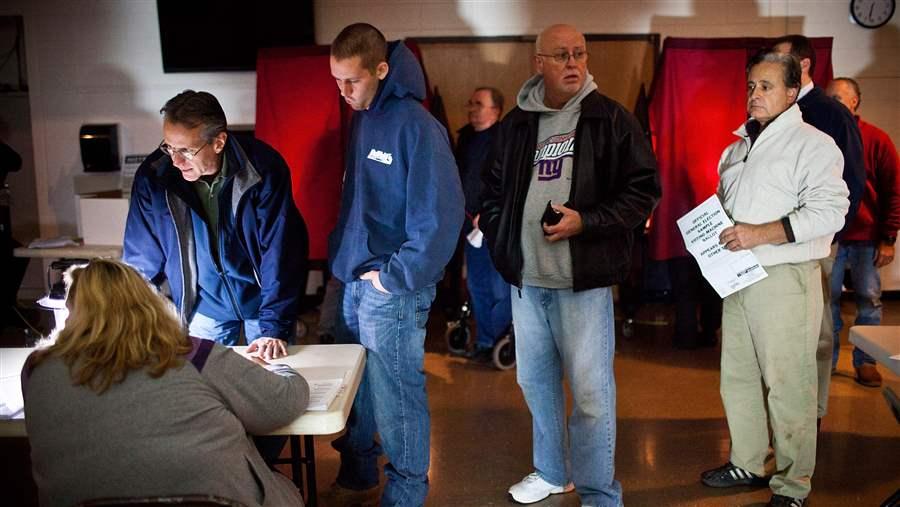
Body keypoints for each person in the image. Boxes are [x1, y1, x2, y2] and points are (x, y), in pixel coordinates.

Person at [480, 24, 660, 506]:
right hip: (527, 284)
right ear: (539, 63)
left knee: (592, 395)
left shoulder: (611, 119)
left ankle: (601, 492)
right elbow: (493, 192)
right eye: (560, 55)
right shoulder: (517, 124)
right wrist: (504, 247)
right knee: (536, 385)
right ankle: (553, 472)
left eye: (579, 53)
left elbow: (643, 192)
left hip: (582, 284)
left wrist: (588, 222)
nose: (573, 63)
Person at [21, 259, 310, 506]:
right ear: (146, 302)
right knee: (286, 490)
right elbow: (281, 403)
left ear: (71, 310)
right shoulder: (192, 353)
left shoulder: (38, 369)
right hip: (213, 500)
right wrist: (280, 370)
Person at [699, 50, 849, 507]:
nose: (755, 95)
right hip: (739, 276)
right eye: (751, 87)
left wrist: (760, 233)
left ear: (791, 91)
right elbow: (728, 208)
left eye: (766, 86)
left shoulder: (814, 145)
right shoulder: (737, 147)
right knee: (737, 377)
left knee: (789, 384)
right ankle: (748, 460)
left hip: (784, 278)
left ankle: (792, 485)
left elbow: (832, 211)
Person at [326, 23, 464, 506]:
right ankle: (360, 472)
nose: (343, 92)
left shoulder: (417, 126)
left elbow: (440, 217)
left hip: (392, 287)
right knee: (358, 391)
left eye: (352, 81)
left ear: (381, 70)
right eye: (336, 81)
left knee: (397, 395)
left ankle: (406, 494)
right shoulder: (364, 117)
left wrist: (392, 279)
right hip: (354, 278)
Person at [123, 90, 308, 360]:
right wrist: (132, 317)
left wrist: (274, 325)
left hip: (263, 305)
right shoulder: (155, 176)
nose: (175, 160)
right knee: (204, 393)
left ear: (219, 142)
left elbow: (280, 251)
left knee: (273, 387)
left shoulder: (263, 169)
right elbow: (140, 257)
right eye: (169, 147)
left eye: (185, 150)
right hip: (204, 308)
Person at [772, 35, 866, 426]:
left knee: (817, 331)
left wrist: (829, 235)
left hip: (814, 242)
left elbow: (852, 181)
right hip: (773, 242)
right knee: (783, 332)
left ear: (805, 64)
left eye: (780, 60)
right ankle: (785, 408)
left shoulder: (829, 113)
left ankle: (813, 411)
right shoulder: (774, 110)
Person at [825, 77, 900, 387]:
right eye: (829, 98)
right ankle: (824, 362)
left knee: (868, 300)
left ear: (855, 101)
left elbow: (894, 190)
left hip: (866, 238)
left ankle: (866, 362)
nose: (834, 103)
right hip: (829, 238)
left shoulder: (876, 139)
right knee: (826, 302)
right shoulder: (819, 138)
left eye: (840, 98)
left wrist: (888, 238)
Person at [457, 86, 511, 363]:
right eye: (471, 103)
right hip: (469, 224)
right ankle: (484, 341)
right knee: (477, 285)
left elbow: (509, 184)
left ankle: (502, 337)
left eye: (479, 104)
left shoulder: (506, 139)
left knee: (499, 287)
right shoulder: (465, 137)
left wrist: (489, 211)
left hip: (496, 224)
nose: (473, 109)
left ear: (496, 110)